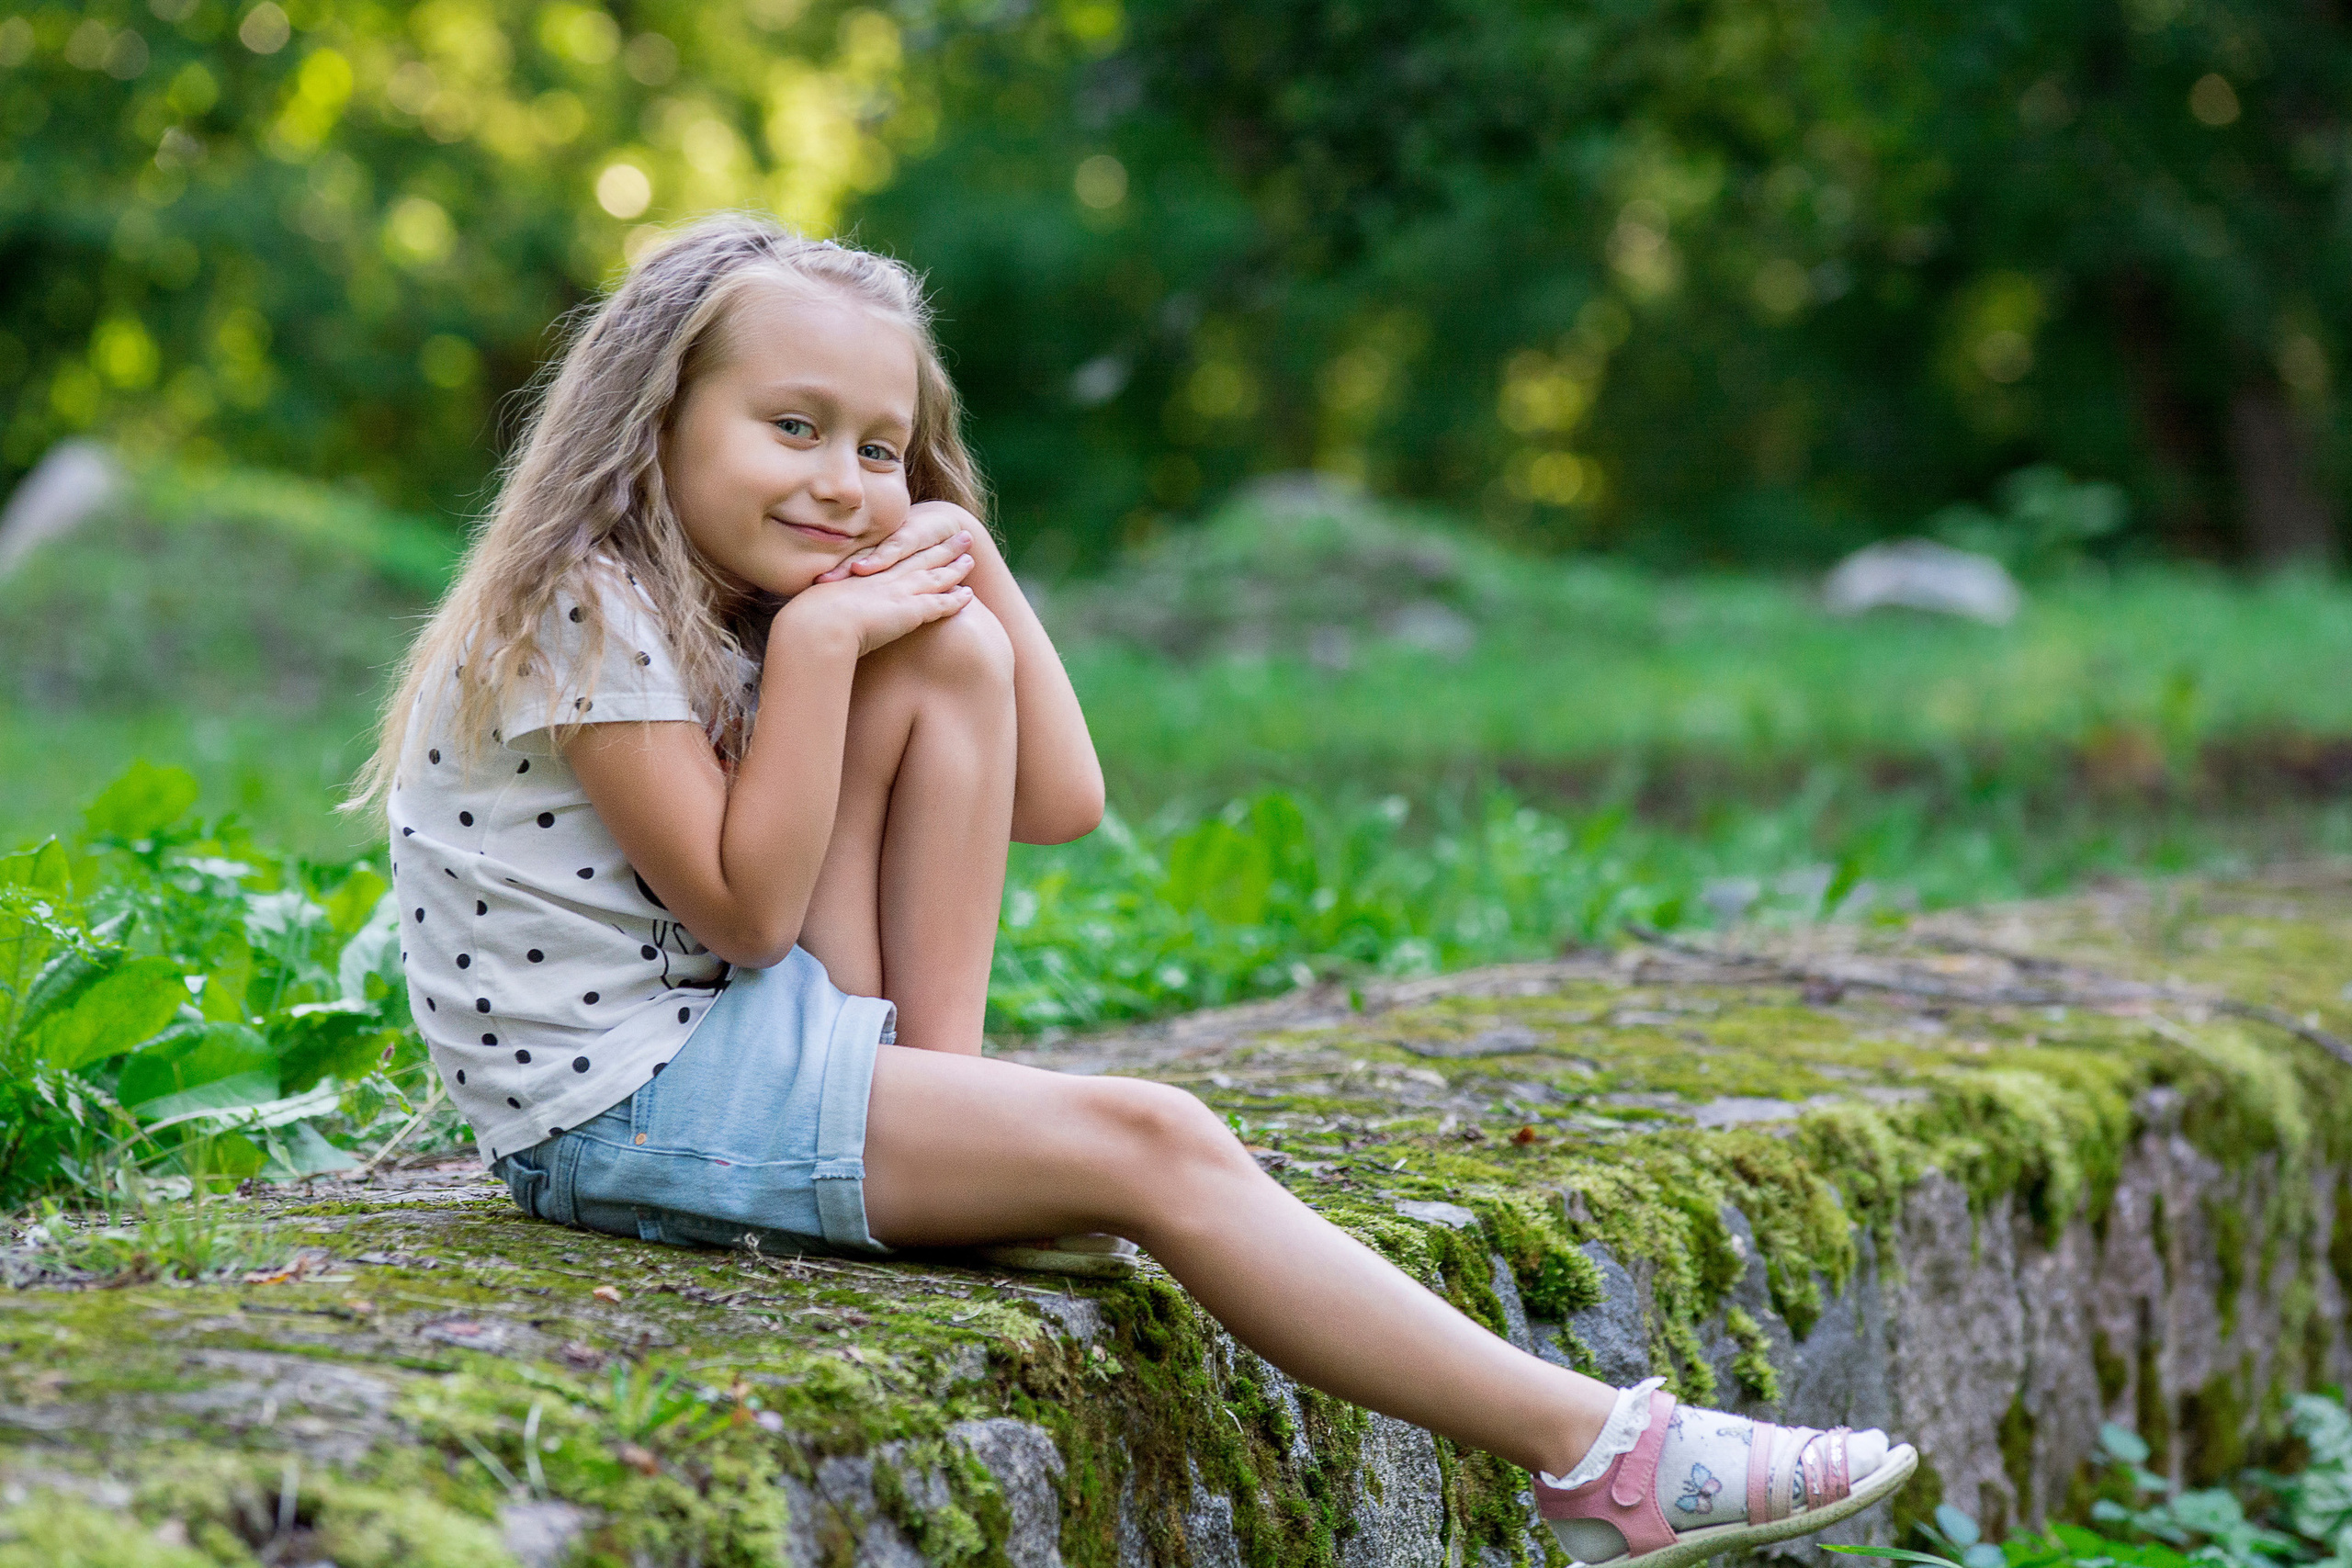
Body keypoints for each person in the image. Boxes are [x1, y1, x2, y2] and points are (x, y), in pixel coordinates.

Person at [351, 213, 1916, 1565]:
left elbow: (1059, 795)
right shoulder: (584, 600)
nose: (844, 482)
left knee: (947, 643)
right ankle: (1607, 1464)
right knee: (1160, 1138)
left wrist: (960, 543)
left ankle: (940, 1111)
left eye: (880, 446)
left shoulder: (764, 585)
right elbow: (750, 916)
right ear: (655, 422)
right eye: (793, 428)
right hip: (616, 1108)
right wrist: (827, 642)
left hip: (742, 1037)